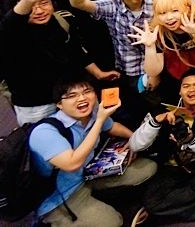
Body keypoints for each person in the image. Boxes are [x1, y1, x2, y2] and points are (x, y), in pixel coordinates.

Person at [28, 74, 156, 226]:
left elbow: (112, 127)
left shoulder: (92, 114)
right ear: (59, 104)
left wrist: (134, 140)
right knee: (113, 222)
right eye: (72, 96)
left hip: (87, 174)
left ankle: (103, 203)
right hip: (60, 196)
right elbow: (72, 164)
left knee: (148, 168)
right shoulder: (45, 132)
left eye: (87, 91)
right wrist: (99, 120)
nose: (82, 98)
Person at [128, 67, 195, 223]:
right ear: (180, 90)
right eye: (186, 86)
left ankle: (176, 206)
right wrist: (156, 122)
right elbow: (135, 145)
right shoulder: (163, 108)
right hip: (171, 167)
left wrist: (191, 139)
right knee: (152, 201)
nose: (191, 90)